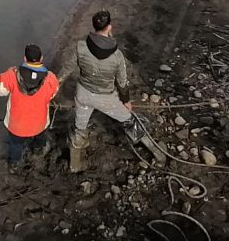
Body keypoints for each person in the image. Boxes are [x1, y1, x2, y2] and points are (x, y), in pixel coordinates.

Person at [59, 10, 164, 173]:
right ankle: (158, 154)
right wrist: (126, 101)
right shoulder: (117, 56)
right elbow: (122, 83)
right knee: (130, 120)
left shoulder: (80, 47)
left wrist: (51, 90)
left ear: (94, 26)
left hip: (83, 95)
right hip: (105, 98)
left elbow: (65, 71)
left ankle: (75, 165)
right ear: (109, 27)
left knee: (80, 127)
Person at [0, 44, 60, 174]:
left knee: (15, 145)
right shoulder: (50, 78)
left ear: (24, 59)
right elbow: (53, 93)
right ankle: (39, 150)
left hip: (17, 126)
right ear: (41, 58)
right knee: (40, 137)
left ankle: (14, 164)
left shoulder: (12, 75)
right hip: (39, 123)